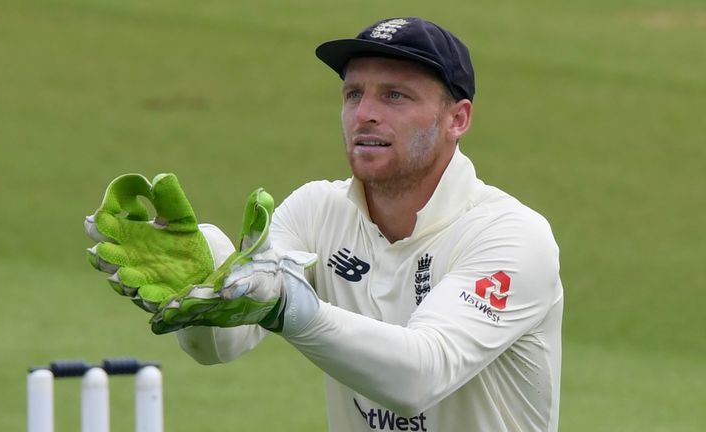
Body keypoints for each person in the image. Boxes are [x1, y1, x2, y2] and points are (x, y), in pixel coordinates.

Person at [87, 16, 563, 432]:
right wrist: (205, 284)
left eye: (395, 96)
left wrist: (291, 309)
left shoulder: (511, 236)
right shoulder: (317, 211)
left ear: (457, 119)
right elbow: (222, 344)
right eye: (354, 94)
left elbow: (420, 376)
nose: (365, 114)